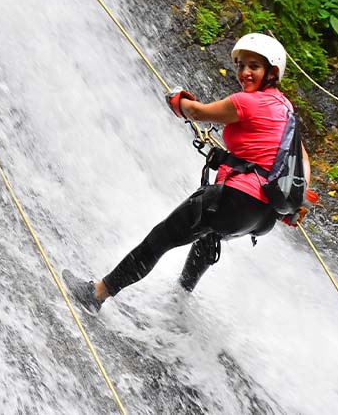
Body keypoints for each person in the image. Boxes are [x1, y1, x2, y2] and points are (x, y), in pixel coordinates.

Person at [65, 33, 312, 314]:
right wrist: (295, 199)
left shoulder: (248, 102)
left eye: (253, 66)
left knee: (161, 238)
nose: (244, 73)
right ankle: (181, 298)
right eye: (241, 65)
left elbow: (196, 111)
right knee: (208, 236)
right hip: (262, 215)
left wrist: (178, 101)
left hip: (236, 200)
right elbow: (301, 158)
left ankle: (96, 294)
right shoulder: (285, 109)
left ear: (272, 72)